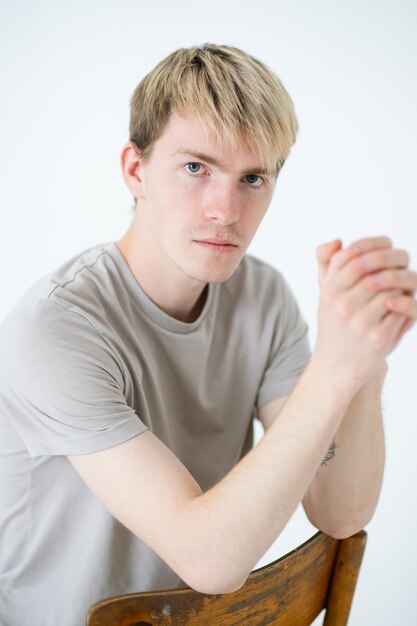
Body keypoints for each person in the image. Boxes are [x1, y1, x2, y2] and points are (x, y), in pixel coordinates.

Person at [0, 43, 416, 626]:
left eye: (253, 177)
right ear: (135, 169)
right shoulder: (53, 331)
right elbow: (210, 560)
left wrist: (365, 364)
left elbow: (341, 512)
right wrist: (331, 373)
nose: (225, 210)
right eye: (196, 168)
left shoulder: (263, 296)